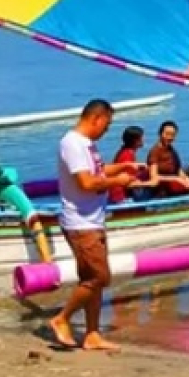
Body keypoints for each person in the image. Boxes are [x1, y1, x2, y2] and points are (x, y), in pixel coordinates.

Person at [48, 98, 140, 351]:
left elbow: (97, 171)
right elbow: (87, 183)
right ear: (96, 118)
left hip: (93, 219)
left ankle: (92, 334)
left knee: (92, 279)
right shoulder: (73, 143)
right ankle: (62, 319)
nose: (106, 130)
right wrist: (118, 181)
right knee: (100, 277)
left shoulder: (87, 145)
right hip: (80, 222)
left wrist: (122, 167)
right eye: (107, 125)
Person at [108, 126, 156, 204]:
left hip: (121, 193)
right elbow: (127, 182)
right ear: (136, 140)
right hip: (121, 196)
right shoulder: (127, 155)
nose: (144, 139)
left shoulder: (125, 152)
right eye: (142, 137)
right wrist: (149, 183)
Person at [146, 120, 189, 198]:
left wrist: (186, 178)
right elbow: (154, 177)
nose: (170, 137)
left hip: (174, 186)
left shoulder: (171, 149)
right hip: (162, 190)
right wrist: (176, 179)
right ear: (160, 134)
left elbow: (178, 169)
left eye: (173, 135)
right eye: (167, 134)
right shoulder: (155, 152)